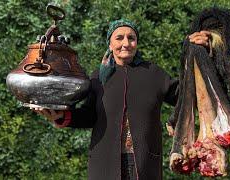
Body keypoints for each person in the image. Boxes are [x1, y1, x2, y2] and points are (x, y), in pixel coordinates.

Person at [34, 19, 210, 180]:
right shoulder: (98, 78)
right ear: (110, 44)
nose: (126, 43)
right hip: (104, 165)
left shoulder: (153, 74)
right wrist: (61, 116)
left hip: (143, 164)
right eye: (119, 38)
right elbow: (89, 116)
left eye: (131, 38)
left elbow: (187, 96)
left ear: (136, 43)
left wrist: (203, 54)